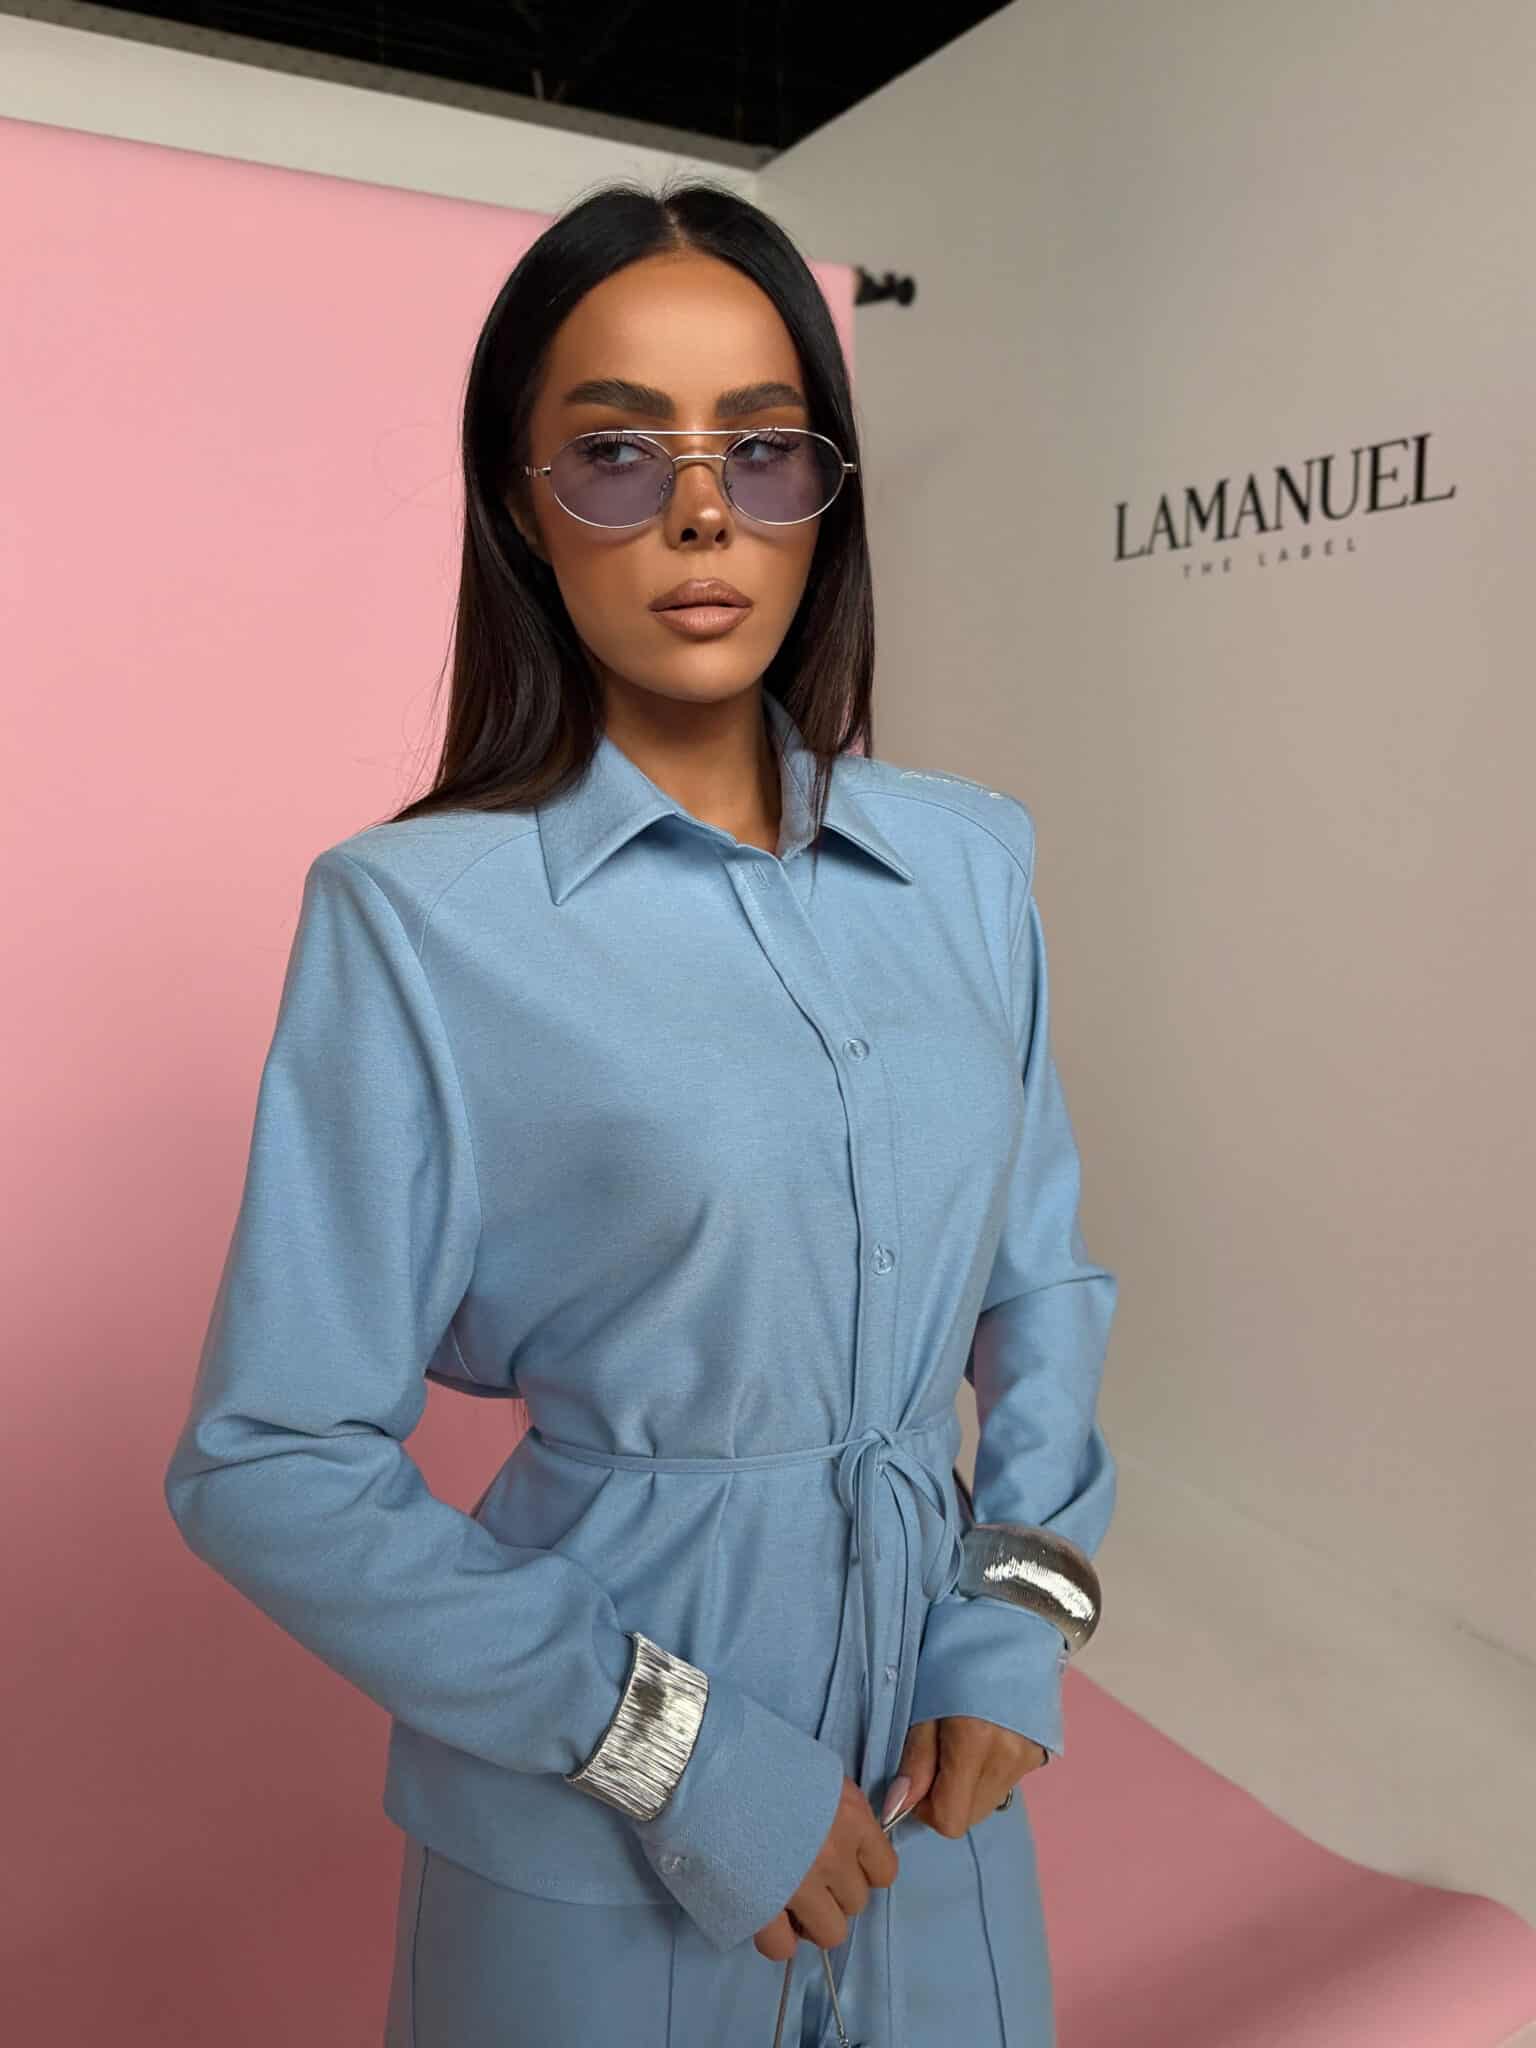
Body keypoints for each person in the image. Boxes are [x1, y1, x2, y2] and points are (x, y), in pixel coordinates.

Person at [162, 175, 1119, 2048]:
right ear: (523, 505)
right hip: (594, 1843)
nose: (701, 512)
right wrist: (676, 1755)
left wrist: (1019, 1618)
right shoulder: (419, 920)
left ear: (825, 491)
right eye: (616, 454)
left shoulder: (969, 867)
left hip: (943, 1804)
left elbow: (1042, 1288)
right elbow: (267, 1456)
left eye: (763, 450)